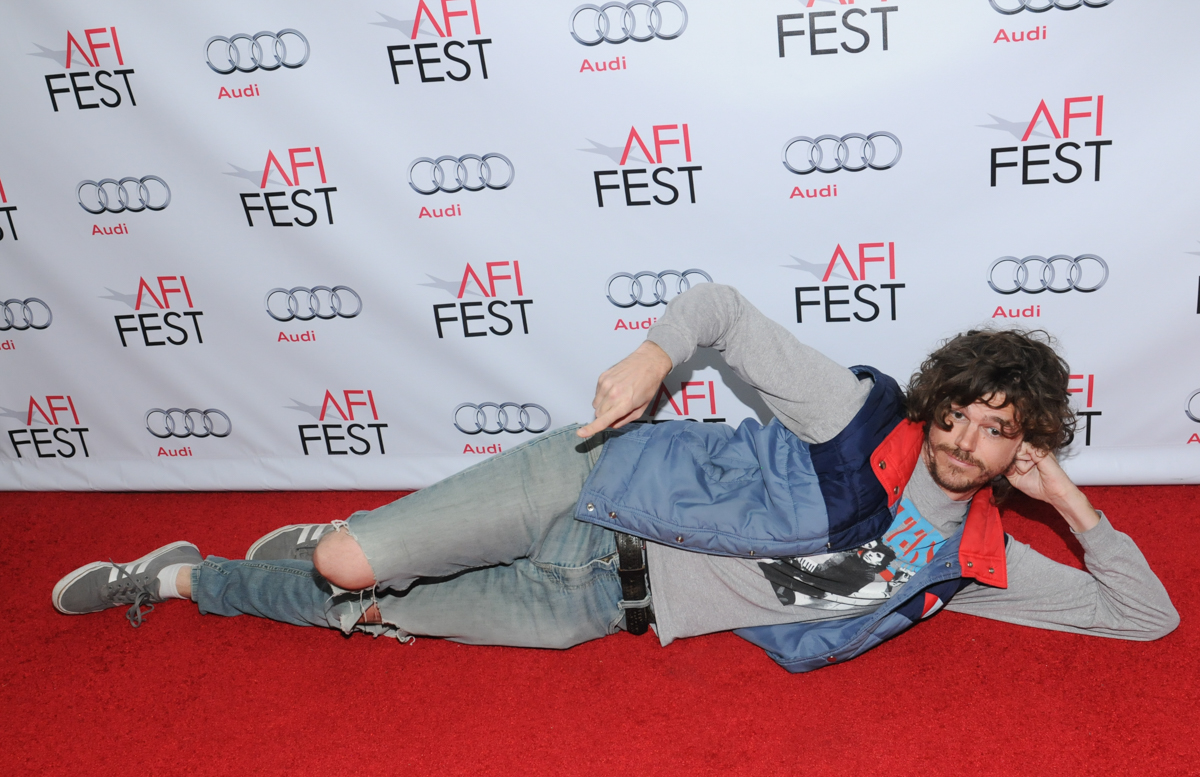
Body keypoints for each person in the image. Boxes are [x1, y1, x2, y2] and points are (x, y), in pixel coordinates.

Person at [51, 285, 1179, 671]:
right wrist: (651, 359)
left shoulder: (970, 563)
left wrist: (1070, 503)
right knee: (354, 560)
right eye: (965, 411)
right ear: (938, 395)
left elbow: (1147, 619)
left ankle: (201, 577)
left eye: (1000, 435)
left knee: (365, 610)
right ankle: (272, 558)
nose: (968, 441)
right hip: (593, 491)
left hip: (600, 608)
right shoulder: (860, 422)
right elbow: (722, 311)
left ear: (1016, 453)